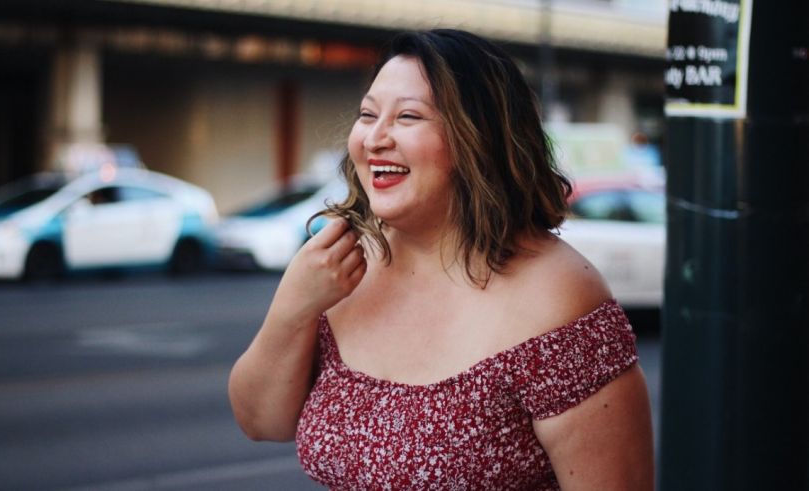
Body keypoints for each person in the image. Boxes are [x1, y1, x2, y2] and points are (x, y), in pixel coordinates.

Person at [229, 29, 654, 490]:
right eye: (367, 114)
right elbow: (262, 422)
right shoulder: (345, 264)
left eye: (408, 116)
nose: (374, 139)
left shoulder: (558, 294)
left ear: (479, 138)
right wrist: (294, 306)